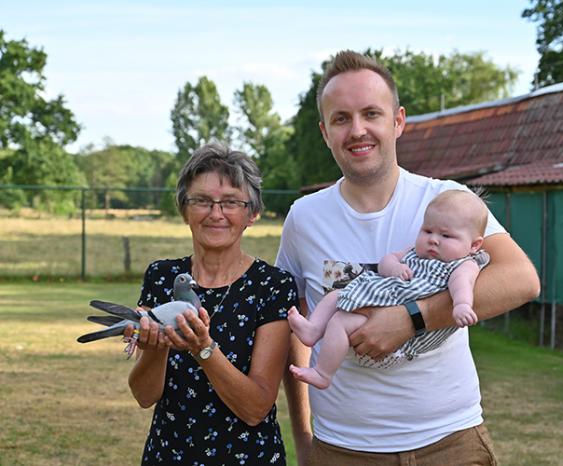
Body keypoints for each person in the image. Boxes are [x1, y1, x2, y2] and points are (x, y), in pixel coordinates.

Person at [276, 51, 540, 466]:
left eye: (371, 113)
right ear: (325, 132)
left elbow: (522, 279)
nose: (357, 130)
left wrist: (413, 318)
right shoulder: (304, 218)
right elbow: (293, 324)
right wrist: (303, 434)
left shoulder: (448, 201)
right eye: (341, 118)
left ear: (398, 121)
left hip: (450, 443)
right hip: (342, 449)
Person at [124, 142, 298, 465]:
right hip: (169, 456)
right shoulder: (162, 277)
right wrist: (157, 345)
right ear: (185, 210)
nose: (216, 213)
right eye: (202, 201)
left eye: (231, 202)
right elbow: (145, 395)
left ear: (252, 213)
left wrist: (203, 348)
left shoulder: (272, 286)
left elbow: (256, 408)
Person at [288, 189, 490, 389]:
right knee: (336, 294)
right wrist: (394, 268)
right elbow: (389, 259)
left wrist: (462, 305)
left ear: (474, 245)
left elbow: (462, 284)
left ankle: (323, 373)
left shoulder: (462, 265)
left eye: (446, 235)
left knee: (340, 322)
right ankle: (312, 330)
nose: (433, 239)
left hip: (398, 342)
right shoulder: (415, 252)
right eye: (427, 231)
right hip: (378, 300)